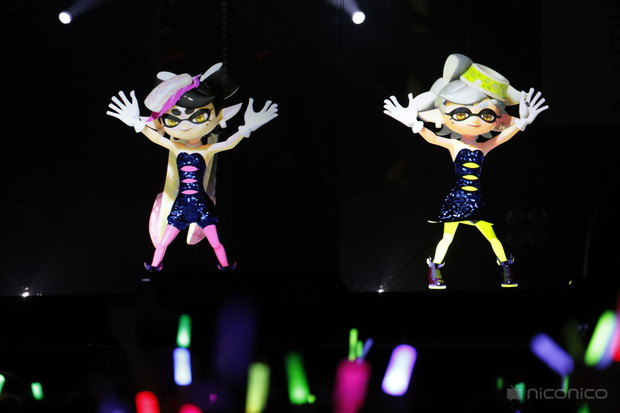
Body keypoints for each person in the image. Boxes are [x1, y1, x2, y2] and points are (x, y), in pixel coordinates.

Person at [383, 53, 547, 289]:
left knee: (491, 236)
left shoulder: (484, 147)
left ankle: (506, 269)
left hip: (475, 199)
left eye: (486, 114)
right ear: (444, 116)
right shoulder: (454, 145)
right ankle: (434, 271)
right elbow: (432, 138)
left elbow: (503, 137)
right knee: (448, 237)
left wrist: (523, 122)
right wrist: (414, 124)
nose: (474, 120)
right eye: (461, 113)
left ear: (497, 118)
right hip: (458, 199)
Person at [106, 63, 278, 272]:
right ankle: (154, 266)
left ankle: (225, 266)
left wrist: (247, 128)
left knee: (215, 242)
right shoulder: (177, 148)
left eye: (198, 117)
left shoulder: (207, 150)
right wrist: (137, 123)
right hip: (180, 205)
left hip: (201, 205)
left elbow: (228, 144)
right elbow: (156, 138)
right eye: (173, 119)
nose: (186, 125)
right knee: (163, 243)